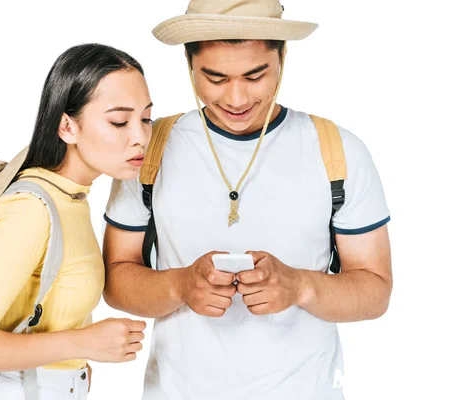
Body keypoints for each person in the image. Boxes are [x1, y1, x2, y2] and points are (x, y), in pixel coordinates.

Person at [103, 1, 392, 399]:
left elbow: (376, 292)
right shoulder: (149, 150)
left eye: (255, 76)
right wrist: (180, 286)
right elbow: (116, 279)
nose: (236, 98)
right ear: (189, 65)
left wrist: (300, 287)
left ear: (282, 58)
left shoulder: (338, 150)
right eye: (215, 77)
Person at [0, 43, 151, 399]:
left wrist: (77, 369)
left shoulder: (72, 197)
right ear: (67, 126)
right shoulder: (31, 209)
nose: (140, 136)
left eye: (145, 118)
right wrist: (84, 343)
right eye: (119, 121)